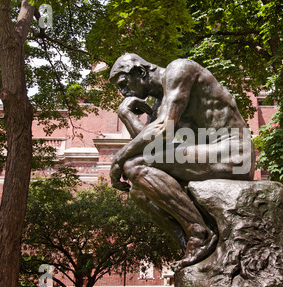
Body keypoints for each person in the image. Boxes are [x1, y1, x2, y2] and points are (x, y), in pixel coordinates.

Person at [109, 53, 255, 271]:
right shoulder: (160, 105)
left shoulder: (179, 69)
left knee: (133, 166)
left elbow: (162, 131)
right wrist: (126, 114)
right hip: (207, 154)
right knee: (139, 191)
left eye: (123, 84)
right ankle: (192, 243)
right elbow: (153, 147)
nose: (123, 92)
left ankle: (199, 233)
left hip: (234, 153)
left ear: (139, 72)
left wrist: (118, 159)